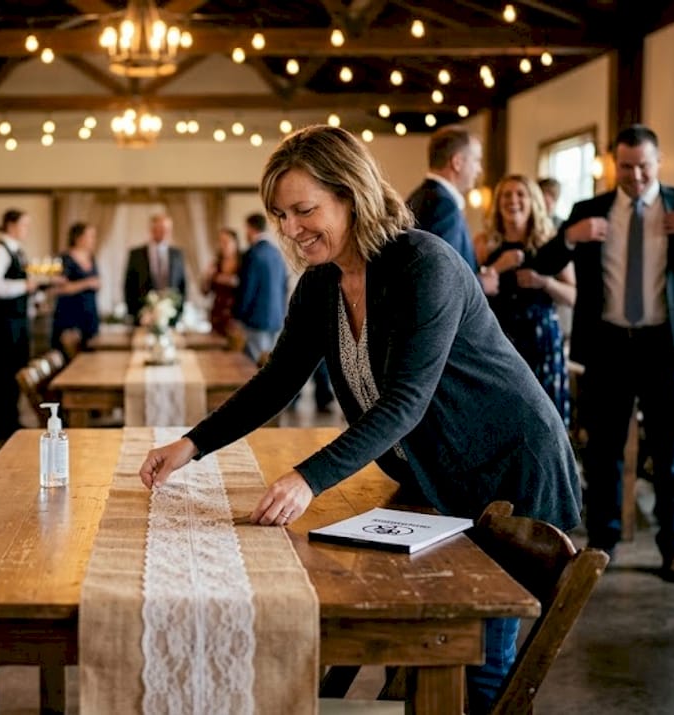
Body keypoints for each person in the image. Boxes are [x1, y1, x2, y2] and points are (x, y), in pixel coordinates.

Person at [138, 125, 580, 714]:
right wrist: (190, 445)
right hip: (434, 475)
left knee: (475, 656)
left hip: (508, 468)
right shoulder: (321, 284)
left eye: (304, 210)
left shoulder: (426, 264)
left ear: (350, 194)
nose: (291, 230)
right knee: (423, 634)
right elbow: (276, 380)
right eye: (280, 214)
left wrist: (307, 479)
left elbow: (404, 403)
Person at [530, 124, 674, 582]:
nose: (636, 176)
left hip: (665, 347)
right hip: (608, 343)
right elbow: (543, 265)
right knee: (603, 450)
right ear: (615, 165)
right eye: (626, 167)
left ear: (659, 161)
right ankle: (604, 541)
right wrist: (571, 236)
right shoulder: (589, 211)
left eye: (644, 166)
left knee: (671, 454)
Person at [475, 175, 576, 425]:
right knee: (502, 417)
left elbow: (573, 296)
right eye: (506, 195)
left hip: (542, 339)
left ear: (533, 201)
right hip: (499, 339)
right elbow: (470, 289)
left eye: (521, 194)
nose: (513, 200)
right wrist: (498, 266)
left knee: (544, 418)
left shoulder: (550, 242)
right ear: (498, 204)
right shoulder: (484, 243)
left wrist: (545, 282)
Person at [406, 125, 496, 294]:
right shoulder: (444, 206)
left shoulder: (418, 197)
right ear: (457, 163)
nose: (479, 169)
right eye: (476, 160)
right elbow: (442, 275)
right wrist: (482, 284)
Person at [0, 209, 39, 442]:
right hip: (3, 321)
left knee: (16, 370)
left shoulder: (18, 250)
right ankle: (1, 425)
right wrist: (24, 287)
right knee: (4, 372)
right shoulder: (0, 251)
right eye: (23, 225)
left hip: (18, 320)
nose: (26, 230)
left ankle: (11, 419)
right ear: (10, 225)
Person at [234, 213, 287, 363]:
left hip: (255, 319)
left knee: (253, 367)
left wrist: (238, 317)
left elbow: (247, 290)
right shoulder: (277, 253)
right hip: (275, 318)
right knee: (268, 363)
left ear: (251, 229)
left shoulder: (252, 254)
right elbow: (284, 287)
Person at [124, 213, 186, 321]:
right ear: (152, 230)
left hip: (170, 314)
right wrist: (134, 313)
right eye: (161, 228)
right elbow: (128, 285)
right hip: (143, 315)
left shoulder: (177, 254)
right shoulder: (136, 254)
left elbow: (182, 285)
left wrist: (179, 312)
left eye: (168, 229)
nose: (166, 232)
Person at [51, 222, 101, 352]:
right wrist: (87, 283)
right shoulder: (65, 259)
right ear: (78, 238)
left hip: (89, 315)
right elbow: (59, 288)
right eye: (90, 236)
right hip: (70, 315)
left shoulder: (91, 257)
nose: (93, 240)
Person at [202, 227, 242, 337]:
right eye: (220, 241)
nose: (222, 245)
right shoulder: (216, 263)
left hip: (237, 316)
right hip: (217, 314)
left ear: (235, 243)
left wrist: (228, 280)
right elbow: (205, 292)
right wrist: (207, 277)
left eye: (226, 241)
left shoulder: (244, 262)